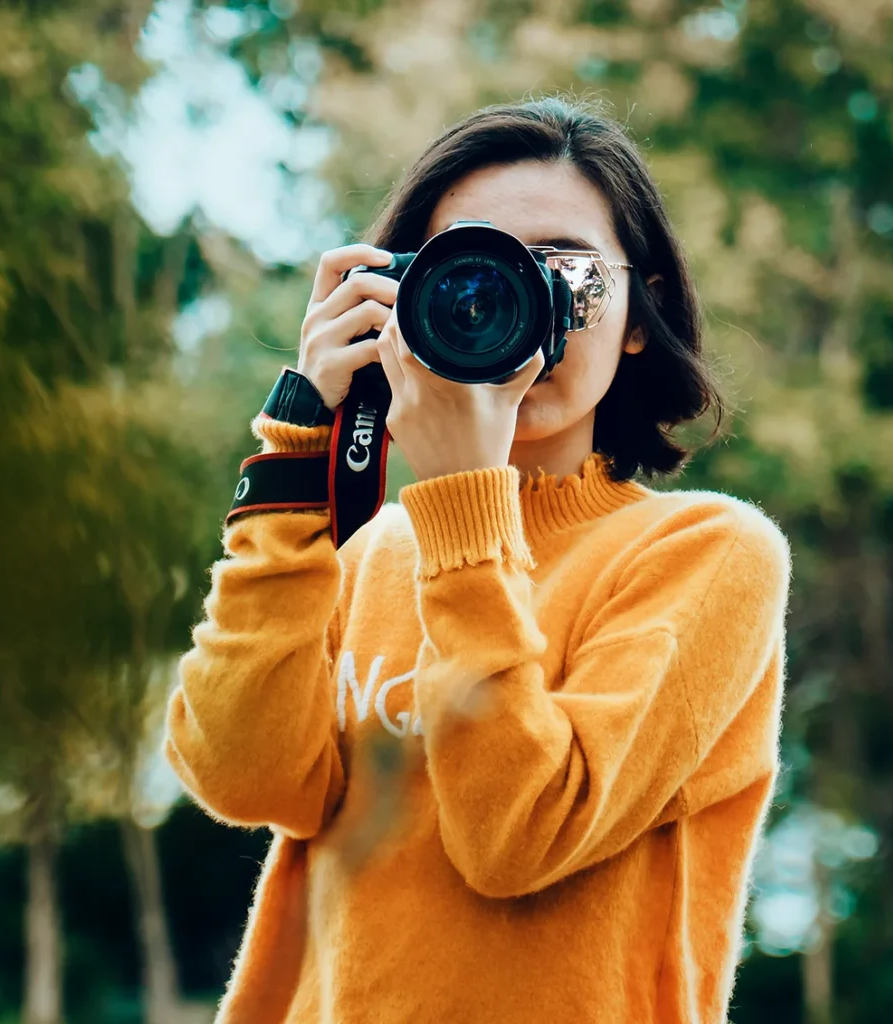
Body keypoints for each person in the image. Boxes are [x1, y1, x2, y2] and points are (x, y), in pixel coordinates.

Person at [164, 96, 791, 1024]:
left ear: (635, 314)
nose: (513, 300)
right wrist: (298, 450)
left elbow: (517, 838)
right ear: (397, 296)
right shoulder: (366, 548)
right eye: (470, 268)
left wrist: (464, 502)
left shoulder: (707, 555)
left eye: (563, 269)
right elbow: (240, 775)